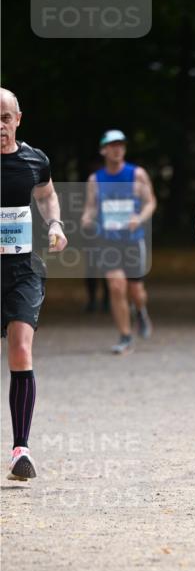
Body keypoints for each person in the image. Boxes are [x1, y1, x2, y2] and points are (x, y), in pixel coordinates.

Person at [1, 87, 68, 480]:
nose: (0, 126)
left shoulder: (34, 159)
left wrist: (55, 224)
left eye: (5, 118)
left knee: (21, 348)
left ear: (18, 119)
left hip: (22, 268)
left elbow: (46, 195)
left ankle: (20, 450)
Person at [81, 129, 157, 355]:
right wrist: (86, 218)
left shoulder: (138, 174)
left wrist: (140, 218)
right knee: (115, 286)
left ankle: (141, 311)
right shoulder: (96, 179)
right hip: (108, 241)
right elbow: (91, 207)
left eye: (121, 145)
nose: (117, 149)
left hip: (133, 240)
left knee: (136, 290)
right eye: (112, 145)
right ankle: (125, 336)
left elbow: (150, 202)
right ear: (104, 150)